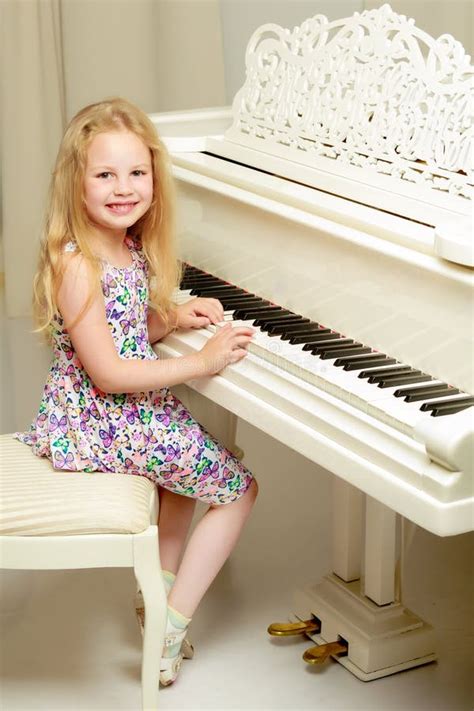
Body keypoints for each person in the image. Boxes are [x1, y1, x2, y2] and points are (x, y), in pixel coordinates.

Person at [15, 97, 258, 686]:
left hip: (120, 411)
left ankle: (156, 605)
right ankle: (172, 628)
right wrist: (200, 362)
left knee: (179, 486)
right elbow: (110, 372)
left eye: (137, 173)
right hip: (101, 415)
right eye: (105, 174)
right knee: (238, 489)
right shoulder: (76, 263)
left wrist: (171, 320)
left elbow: (121, 330)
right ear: (76, 184)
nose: (124, 188)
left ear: (154, 178)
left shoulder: (127, 246)